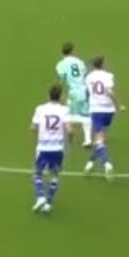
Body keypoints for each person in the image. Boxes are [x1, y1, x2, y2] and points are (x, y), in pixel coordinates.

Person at [30, 84, 71, 213]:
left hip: (43, 147)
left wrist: (38, 138)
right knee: (55, 175)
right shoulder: (64, 110)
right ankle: (48, 203)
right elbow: (69, 130)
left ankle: (41, 196)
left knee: (37, 174)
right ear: (60, 96)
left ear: (49, 95)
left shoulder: (40, 109)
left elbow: (33, 127)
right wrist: (69, 141)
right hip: (58, 148)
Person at [83, 56, 119, 176]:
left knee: (99, 140)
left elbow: (87, 92)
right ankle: (89, 164)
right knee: (100, 139)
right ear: (102, 64)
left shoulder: (89, 77)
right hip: (109, 110)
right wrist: (119, 104)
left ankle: (107, 164)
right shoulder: (108, 76)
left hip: (96, 109)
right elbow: (110, 91)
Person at [55, 42, 91, 147]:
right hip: (83, 90)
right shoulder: (79, 61)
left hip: (73, 92)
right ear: (72, 51)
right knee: (85, 114)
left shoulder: (61, 64)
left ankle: (65, 133)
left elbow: (60, 79)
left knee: (68, 114)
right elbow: (85, 75)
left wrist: (59, 92)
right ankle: (88, 139)